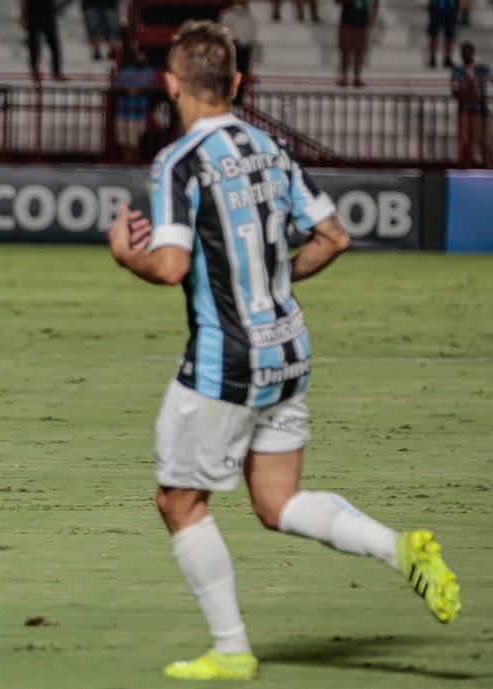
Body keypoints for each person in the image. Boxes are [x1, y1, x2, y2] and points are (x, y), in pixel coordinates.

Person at [106, 20, 461, 681]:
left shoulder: (178, 160)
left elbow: (171, 265)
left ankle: (232, 647)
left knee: (179, 502)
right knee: (275, 500)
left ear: (170, 83)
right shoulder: (271, 149)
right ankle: (398, 546)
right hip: (289, 346)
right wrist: (270, 285)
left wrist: (127, 255)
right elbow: (333, 236)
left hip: (228, 356)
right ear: (238, 83)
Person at [451, 40, 491, 167]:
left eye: (469, 51)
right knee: (465, 141)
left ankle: (488, 165)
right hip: (465, 110)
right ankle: (466, 166)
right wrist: (468, 95)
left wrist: (479, 96)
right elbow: (454, 90)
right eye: (464, 51)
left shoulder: (481, 68)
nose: (466, 54)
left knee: (484, 140)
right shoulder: (458, 71)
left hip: (480, 109)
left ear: (473, 52)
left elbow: (490, 77)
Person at [111, 50, 155, 163]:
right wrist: (127, 90)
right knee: (124, 141)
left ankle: (134, 163)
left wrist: (139, 90)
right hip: (123, 110)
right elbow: (115, 85)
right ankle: (127, 162)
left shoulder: (149, 72)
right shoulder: (126, 71)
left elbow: (153, 86)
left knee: (135, 141)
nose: (140, 58)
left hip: (138, 112)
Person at [219, 0, 258, 100]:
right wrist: (232, 39)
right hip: (230, 48)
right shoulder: (227, 15)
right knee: (229, 73)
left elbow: (252, 33)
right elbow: (223, 30)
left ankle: (239, 97)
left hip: (244, 49)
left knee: (242, 73)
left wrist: (242, 41)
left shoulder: (250, 17)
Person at [20, 0, 66, 80]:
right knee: (34, 44)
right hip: (33, 13)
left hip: (47, 13)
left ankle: (56, 71)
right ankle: (35, 71)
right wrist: (23, 16)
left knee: (53, 44)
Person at [337, 0, 378, 87]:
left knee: (359, 51)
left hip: (362, 22)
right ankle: (344, 76)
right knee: (345, 49)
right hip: (347, 20)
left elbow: (375, 2)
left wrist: (372, 16)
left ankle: (357, 77)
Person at [428, 0, 464, 68]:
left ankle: (448, 57)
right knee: (433, 34)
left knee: (449, 35)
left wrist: (460, 3)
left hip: (451, 6)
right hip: (437, 5)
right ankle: (432, 57)